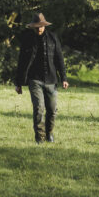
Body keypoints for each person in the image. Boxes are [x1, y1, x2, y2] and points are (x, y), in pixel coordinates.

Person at [14, 12, 69, 143]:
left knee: (52, 110)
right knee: (39, 108)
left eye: (41, 26)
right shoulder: (27, 40)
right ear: (33, 27)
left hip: (51, 80)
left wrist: (64, 78)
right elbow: (21, 62)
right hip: (34, 80)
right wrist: (18, 83)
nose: (39, 28)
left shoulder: (53, 38)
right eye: (37, 26)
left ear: (44, 26)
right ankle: (40, 137)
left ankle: (49, 133)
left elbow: (59, 59)